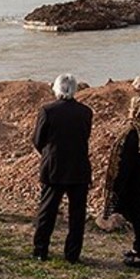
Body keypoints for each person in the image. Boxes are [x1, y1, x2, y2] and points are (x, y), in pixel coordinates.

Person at [31, 73, 94, 263]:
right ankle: (72, 254)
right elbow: (86, 136)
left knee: (47, 211)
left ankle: (41, 250)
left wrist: (48, 153)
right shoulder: (86, 112)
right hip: (79, 167)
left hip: (54, 167)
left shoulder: (47, 111)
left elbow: (37, 140)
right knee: (77, 214)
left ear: (56, 88)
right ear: (75, 90)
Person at [100, 95, 140, 269]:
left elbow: (125, 162)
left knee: (137, 218)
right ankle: (138, 248)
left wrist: (117, 184)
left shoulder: (133, 133)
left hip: (132, 182)